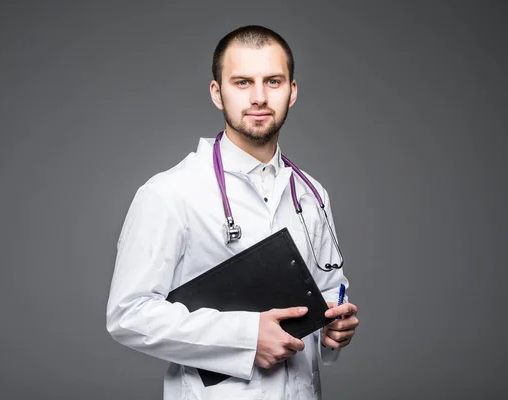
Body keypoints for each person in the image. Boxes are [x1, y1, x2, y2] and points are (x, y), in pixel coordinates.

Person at [106, 25, 359, 399]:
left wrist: (334, 327)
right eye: (242, 82)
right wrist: (245, 337)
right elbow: (128, 314)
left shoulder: (311, 194)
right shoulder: (169, 193)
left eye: (273, 81)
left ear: (292, 92)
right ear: (217, 93)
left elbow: (328, 291)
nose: (258, 97)